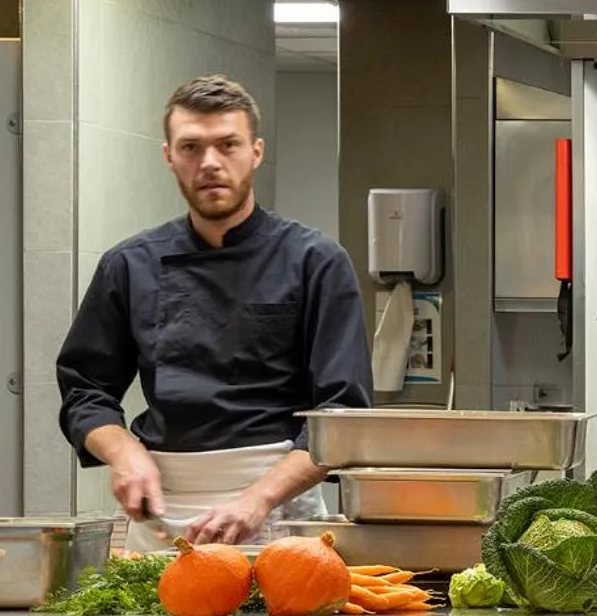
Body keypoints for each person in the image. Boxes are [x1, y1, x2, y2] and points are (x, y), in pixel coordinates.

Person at [56, 75, 372, 550]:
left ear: (256, 152)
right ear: (169, 156)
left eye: (228, 144)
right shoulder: (129, 265)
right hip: (162, 507)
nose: (210, 163)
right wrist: (124, 453)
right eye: (191, 147)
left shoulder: (315, 261)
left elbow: (343, 414)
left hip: (278, 506)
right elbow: (85, 389)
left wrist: (257, 500)